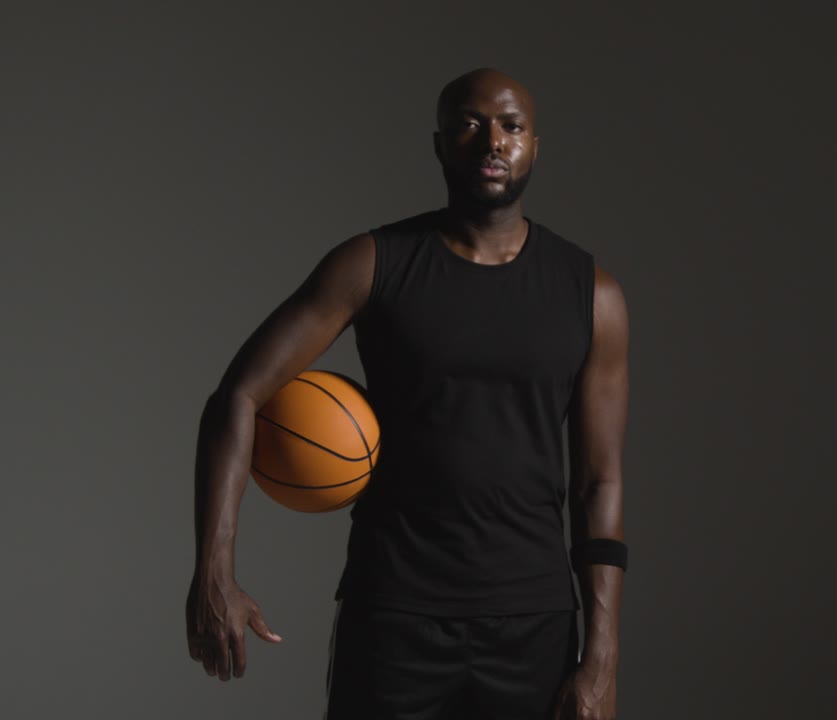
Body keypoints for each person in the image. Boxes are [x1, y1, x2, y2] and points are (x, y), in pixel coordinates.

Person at [185, 67, 628, 720]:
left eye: (511, 126)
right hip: (395, 614)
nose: (492, 143)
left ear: (536, 145)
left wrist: (602, 657)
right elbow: (238, 395)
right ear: (440, 143)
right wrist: (214, 571)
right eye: (470, 125)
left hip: (535, 623)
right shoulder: (373, 264)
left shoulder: (593, 294)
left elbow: (601, 484)